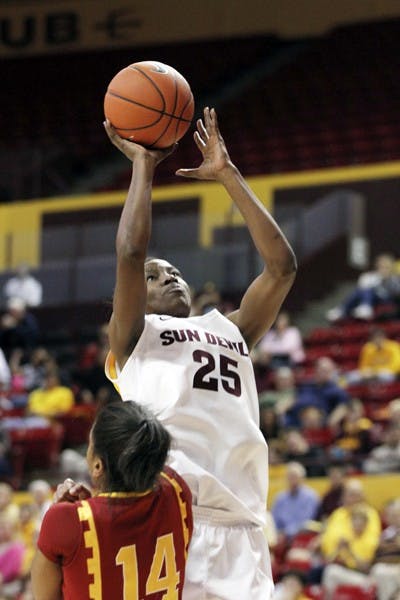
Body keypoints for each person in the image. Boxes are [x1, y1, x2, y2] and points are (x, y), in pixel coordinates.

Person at [103, 107, 297, 599]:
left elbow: (281, 268)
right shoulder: (133, 336)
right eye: (154, 275)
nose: (168, 275)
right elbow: (129, 251)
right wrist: (144, 167)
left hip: (246, 524)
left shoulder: (232, 328)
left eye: (172, 270)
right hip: (172, 517)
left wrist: (228, 175)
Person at [31, 400, 193, 600]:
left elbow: (42, 596)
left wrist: (63, 515)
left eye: (90, 445)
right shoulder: (177, 489)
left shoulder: (67, 519)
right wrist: (93, 504)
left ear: (98, 466)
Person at [326, 253, 400, 321]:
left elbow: (397, 293)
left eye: (387, 267)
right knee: (361, 291)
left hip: (388, 301)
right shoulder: (369, 276)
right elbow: (361, 290)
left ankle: (344, 309)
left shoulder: (394, 279)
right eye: (383, 267)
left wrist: (388, 281)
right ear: (377, 266)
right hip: (371, 301)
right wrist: (379, 280)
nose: (385, 270)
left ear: (391, 268)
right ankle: (349, 309)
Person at [271, 462, 320, 542]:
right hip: (280, 537)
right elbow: (274, 520)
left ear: (303, 478)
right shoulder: (280, 498)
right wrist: (277, 533)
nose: (292, 480)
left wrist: (286, 533)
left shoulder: (310, 497)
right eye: (290, 476)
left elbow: (306, 521)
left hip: (302, 536)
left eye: (295, 477)